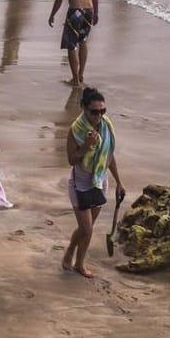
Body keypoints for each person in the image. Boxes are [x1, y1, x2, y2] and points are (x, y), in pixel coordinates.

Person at [64, 87, 125, 278]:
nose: (99, 115)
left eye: (102, 111)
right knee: (87, 229)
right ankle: (79, 264)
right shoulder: (75, 130)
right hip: (80, 183)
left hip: (99, 180)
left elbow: (108, 155)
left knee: (85, 229)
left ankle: (70, 254)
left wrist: (119, 182)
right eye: (94, 111)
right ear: (83, 107)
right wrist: (86, 147)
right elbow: (72, 160)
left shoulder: (106, 126)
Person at [48, 0, 99, 87]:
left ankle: (75, 79)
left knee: (71, 45)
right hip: (88, 11)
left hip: (75, 11)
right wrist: (96, 13)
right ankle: (81, 73)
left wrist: (52, 14)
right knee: (83, 42)